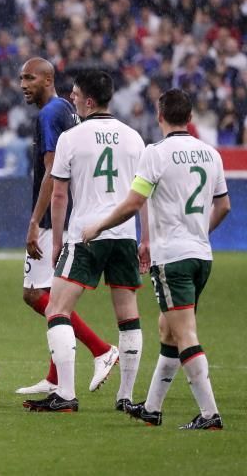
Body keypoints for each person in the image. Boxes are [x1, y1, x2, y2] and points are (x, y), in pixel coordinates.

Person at [81, 89, 230, 430]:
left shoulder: (156, 153)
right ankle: (151, 407)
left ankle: (210, 414)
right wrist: (200, 233)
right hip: (200, 256)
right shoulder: (211, 154)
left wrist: (99, 226)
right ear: (190, 117)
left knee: (185, 333)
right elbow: (224, 206)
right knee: (168, 330)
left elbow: (134, 203)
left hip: (172, 259)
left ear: (159, 115)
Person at [23, 70, 147, 413]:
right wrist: (144, 238)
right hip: (123, 235)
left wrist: (58, 240)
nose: (72, 100)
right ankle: (125, 397)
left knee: (56, 308)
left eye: (76, 95)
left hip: (85, 235)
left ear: (89, 100)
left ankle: (64, 394)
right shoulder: (134, 138)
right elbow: (143, 195)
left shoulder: (73, 138)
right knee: (128, 316)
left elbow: (59, 195)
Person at [16, 58, 117, 395]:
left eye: (29, 78)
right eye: (21, 78)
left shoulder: (49, 114)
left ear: (48, 79)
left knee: (37, 295)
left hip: (49, 218)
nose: (23, 84)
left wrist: (34, 221)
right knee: (53, 296)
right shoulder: (67, 112)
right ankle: (56, 376)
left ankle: (101, 349)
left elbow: (51, 170)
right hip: (70, 211)